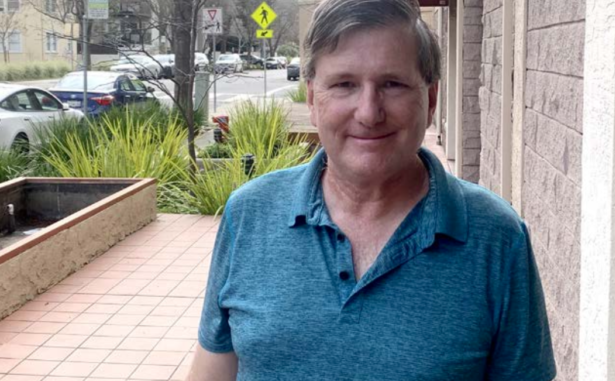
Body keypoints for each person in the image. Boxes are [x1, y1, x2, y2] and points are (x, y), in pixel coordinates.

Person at [189, 0, 556, 380]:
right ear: (313, 99)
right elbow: (212, 368)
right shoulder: (249, 213)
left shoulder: (496, 237)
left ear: (429, 100)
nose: (368, 112)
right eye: (345, 84)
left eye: (392, 84)